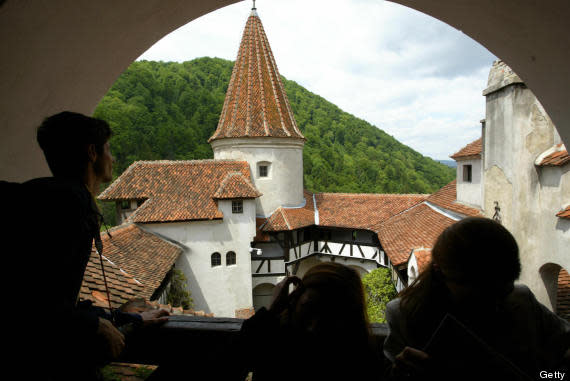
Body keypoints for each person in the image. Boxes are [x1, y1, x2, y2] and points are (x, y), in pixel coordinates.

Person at [3, 111, 169, 380]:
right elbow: (40, 300)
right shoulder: (71, 205)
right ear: (92, 152)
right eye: (108, 149)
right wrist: (95, 325)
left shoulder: (41, 194)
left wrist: (130, 319)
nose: (112, 158)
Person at [383, 217, 569, 380]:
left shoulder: (522, 300)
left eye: (503, 291)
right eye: (480, 293)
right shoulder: (403, 316)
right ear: (441, 274)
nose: (493, 304)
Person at [238, 262, 382, 381]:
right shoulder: (358, 360)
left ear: (349, 319)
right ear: (295, 297)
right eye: (309, 309)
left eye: (329, 318)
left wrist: (270, 313)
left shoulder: (273, 342)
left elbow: (228, 367)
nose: (313, 327)